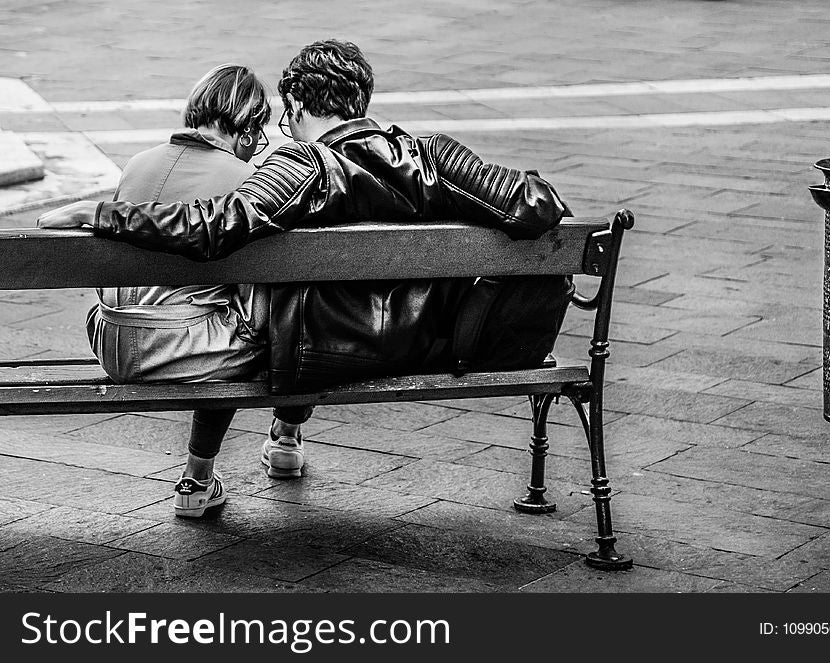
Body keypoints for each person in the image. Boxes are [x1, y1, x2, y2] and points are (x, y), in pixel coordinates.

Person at [38, 39, 573, 484]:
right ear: (361, 100)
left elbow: (214, 226)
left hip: (321, 355)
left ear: (294, 106)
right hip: (427, 345)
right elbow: (539, 205)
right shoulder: (433, 154)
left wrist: (106, 213)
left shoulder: (302, 163)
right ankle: (286, 436)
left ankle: (224, 462)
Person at [81, 63, 312, 519]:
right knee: (298, 314)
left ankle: (226, 466)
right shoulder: (243, 180)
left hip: (109, 341)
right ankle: (258, 449)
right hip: (180, 348)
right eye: (257, 134)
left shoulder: (138, 163)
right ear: (246, 129)